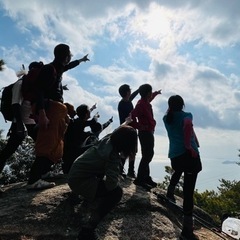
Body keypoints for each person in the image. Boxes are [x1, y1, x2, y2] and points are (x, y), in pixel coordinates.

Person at [27, 43, 90, 190]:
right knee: (48, 143)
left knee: (56, 143)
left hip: (56, 110)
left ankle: (44, 172)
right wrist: (42, 113)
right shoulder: (49, 69)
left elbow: (70, 66)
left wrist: (80, 61)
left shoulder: (58, 68)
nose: (70, 57)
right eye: (70, 54)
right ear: (65, 55)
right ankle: (33, 180)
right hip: (49, 109)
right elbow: (39, 90)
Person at [68, 125, 138, 240]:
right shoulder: (112, 157)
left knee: (102, 178)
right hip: (80, 182)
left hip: (74, 174)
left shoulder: (108, 139)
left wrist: (127, 123)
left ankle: (77, 195)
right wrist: (117, 177)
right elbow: (111, 185)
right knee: (117, 193)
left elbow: (120, 130)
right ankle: (88, 229)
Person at [163, 95, 202, 240]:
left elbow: (182, 124)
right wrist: (188, 146)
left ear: (170, 106)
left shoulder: (166, 119)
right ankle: (187, 229)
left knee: (178, 171)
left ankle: (170, 192)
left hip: (175, 157)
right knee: (188, 191)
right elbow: (187, 125)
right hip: (189, 156)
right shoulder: (187, 115)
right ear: (183, 105)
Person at [0, 62, 42, 194]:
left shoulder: (32, 84)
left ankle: (41, 174)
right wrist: (19, 124)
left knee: (42, 145)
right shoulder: (20, 83)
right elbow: (15, 104)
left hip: (29, 121)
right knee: (9, 150)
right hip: (19, 121)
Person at [130, 83, 161, 190]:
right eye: (151, 92)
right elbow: (131, 116)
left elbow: (150, 98)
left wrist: (156, 93)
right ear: (147, 93)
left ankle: (146, 177)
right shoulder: (141, 104)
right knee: (148, 155)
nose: (151, 94)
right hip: (145, 133)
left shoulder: (145, 101)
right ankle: (140, 179)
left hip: (148, 132)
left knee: (147, 154)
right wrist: (139, 126)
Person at [62, 103, 100, 174]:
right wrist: (96, 116)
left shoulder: (76, 122)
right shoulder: (79, 123)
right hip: (74, 153)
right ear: (86, 114)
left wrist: (92, 108)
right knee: (96, 146)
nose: (89, 112)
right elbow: (93, 122)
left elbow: (84, 117)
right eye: (89, 111)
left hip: (68, 155)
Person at [118, 84, 139, 178]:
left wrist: (139, 89)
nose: (131, 91)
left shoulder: (127, 101)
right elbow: (124, 119)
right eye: (129, 90)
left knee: (133, 150)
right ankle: (120, 169)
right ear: (127, 92)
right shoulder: (122, 104)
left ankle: (131, 170)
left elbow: (133, 95)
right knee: (125, 150)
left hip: (132, 128)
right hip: (125, 129)